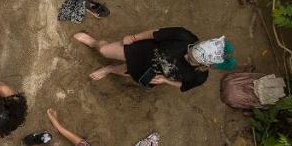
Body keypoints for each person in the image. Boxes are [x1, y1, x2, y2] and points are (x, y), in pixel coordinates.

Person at [72, 28, 231, 91]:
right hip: (141, 51)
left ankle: (110, 69)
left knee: (126, 71)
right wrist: (134, 37)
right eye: (189, 50)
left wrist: (166, 81)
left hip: (150, 71)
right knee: (104, 50)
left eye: (190, 59)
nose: (184, 55)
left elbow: (183, 85)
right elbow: (156, 33)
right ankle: (94, 43)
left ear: (205, 65)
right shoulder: (184, 36)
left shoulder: (199, 76)